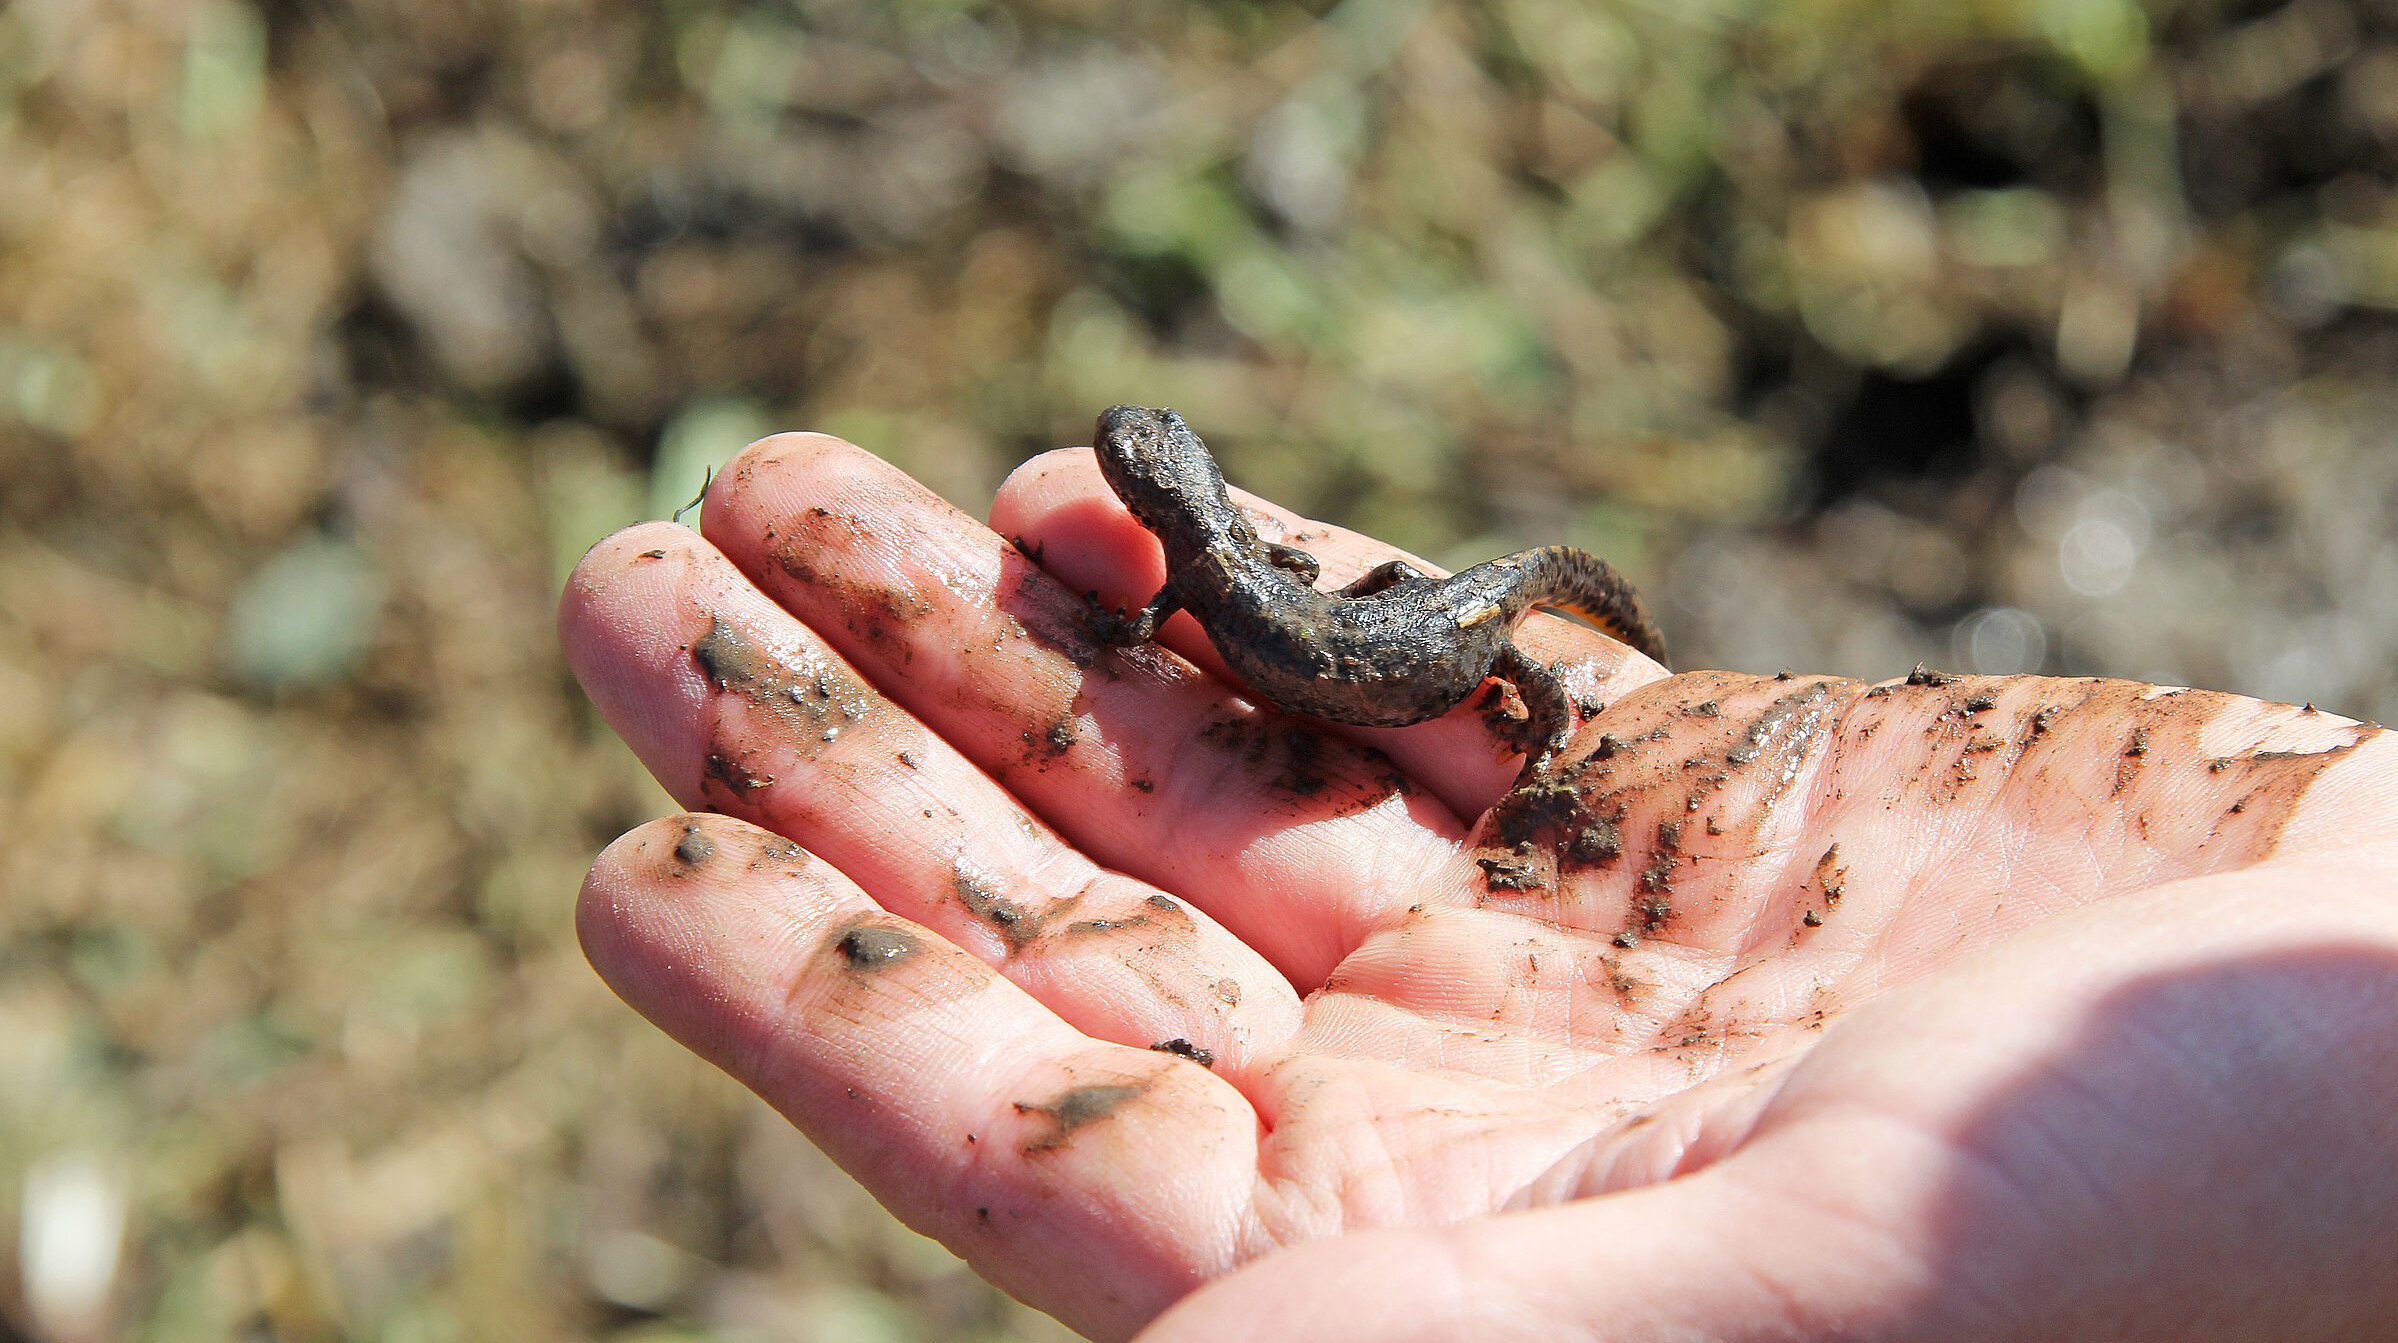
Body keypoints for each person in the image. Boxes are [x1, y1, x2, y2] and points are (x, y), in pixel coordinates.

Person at [560, 431, 2398, 1342]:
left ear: (1161, 510)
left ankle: (1512, 673)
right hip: (1406, 647)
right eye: (1148, 473)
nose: (1139, 480)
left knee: (1456, 653)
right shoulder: (1211, 585)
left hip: (1427, 657)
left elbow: (1165, 625)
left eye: (1146, 476)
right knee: (1419, 646)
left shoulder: (1193, 594)